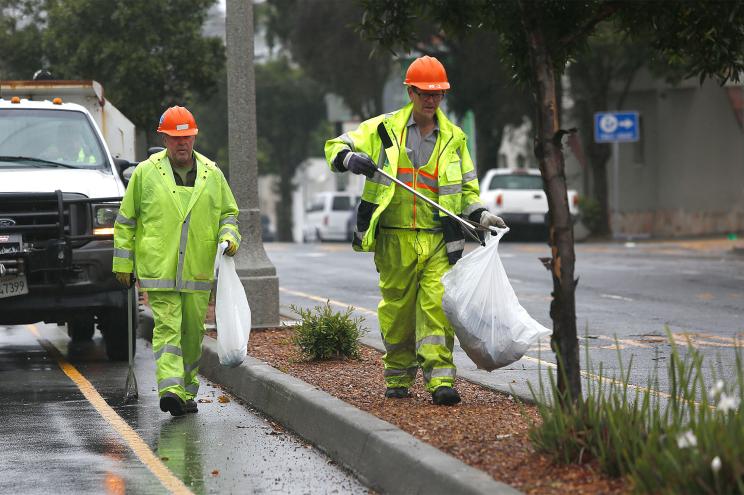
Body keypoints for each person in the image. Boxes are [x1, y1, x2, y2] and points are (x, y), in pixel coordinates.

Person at [324, 56, 506, 406]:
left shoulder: (454, 138)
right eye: (424, 93)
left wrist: (481, 214)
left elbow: (467, 191)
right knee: (398, 313)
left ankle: (440, 379)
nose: (431, 100)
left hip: (439, 239)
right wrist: (350, 159)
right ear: (411, 91)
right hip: (394, 238)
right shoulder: (383, 129)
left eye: (437, 94)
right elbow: (334, 146)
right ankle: (397, 377)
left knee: (437, 307)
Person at [113, 106, 241, 416]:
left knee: (192, 335)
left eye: (186, 137)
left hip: (196, 269)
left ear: (194, 136)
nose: (181, 144)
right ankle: (170, 389)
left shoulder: (213, 173)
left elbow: (229, 213)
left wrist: (230, 238)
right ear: (165, 139)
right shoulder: (146, 173)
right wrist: (123, 264)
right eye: (174, 138)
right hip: (160, 269)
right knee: (167, 329)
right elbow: (126, 221)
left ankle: (185, 392)